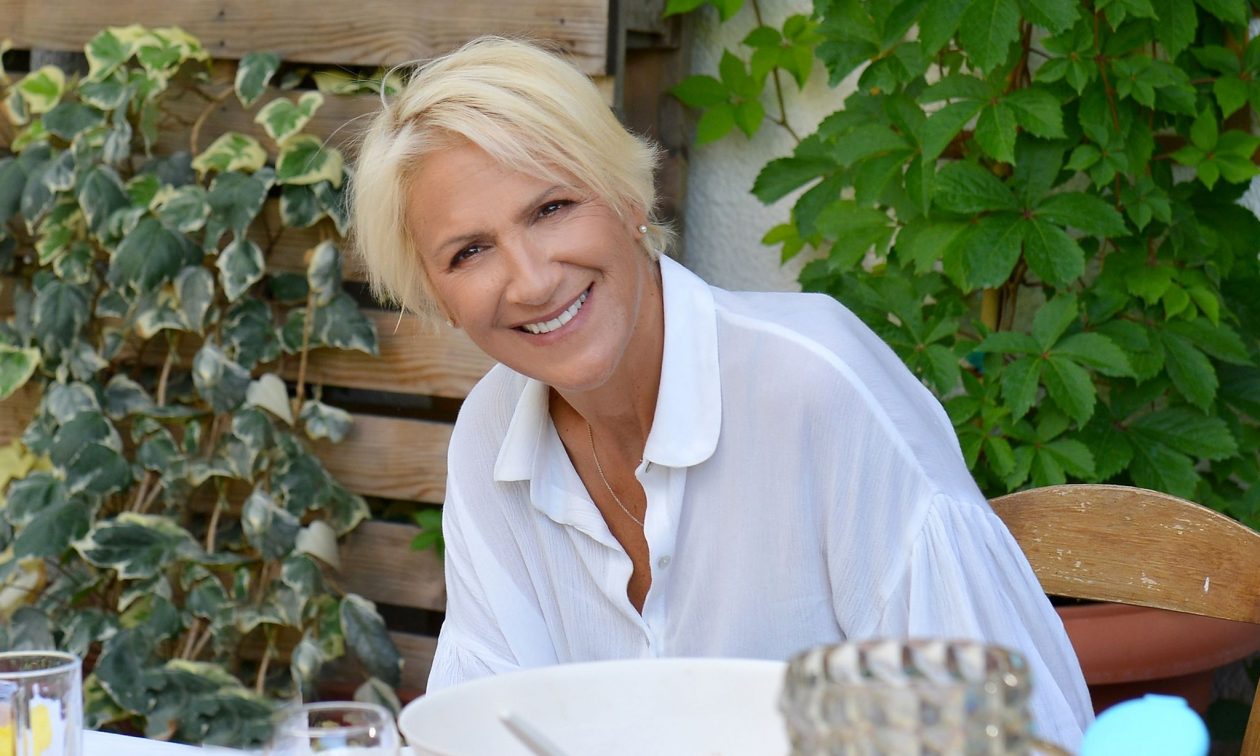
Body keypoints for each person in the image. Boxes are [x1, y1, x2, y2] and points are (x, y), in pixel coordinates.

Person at [351, 36, 1093, 749]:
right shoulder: (490, 437)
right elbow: (485, 726)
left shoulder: (814, 385)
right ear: (438, 299)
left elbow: (1006, 736)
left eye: (552, 208)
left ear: (629, 199)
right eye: (470, 251)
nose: (533, 280)